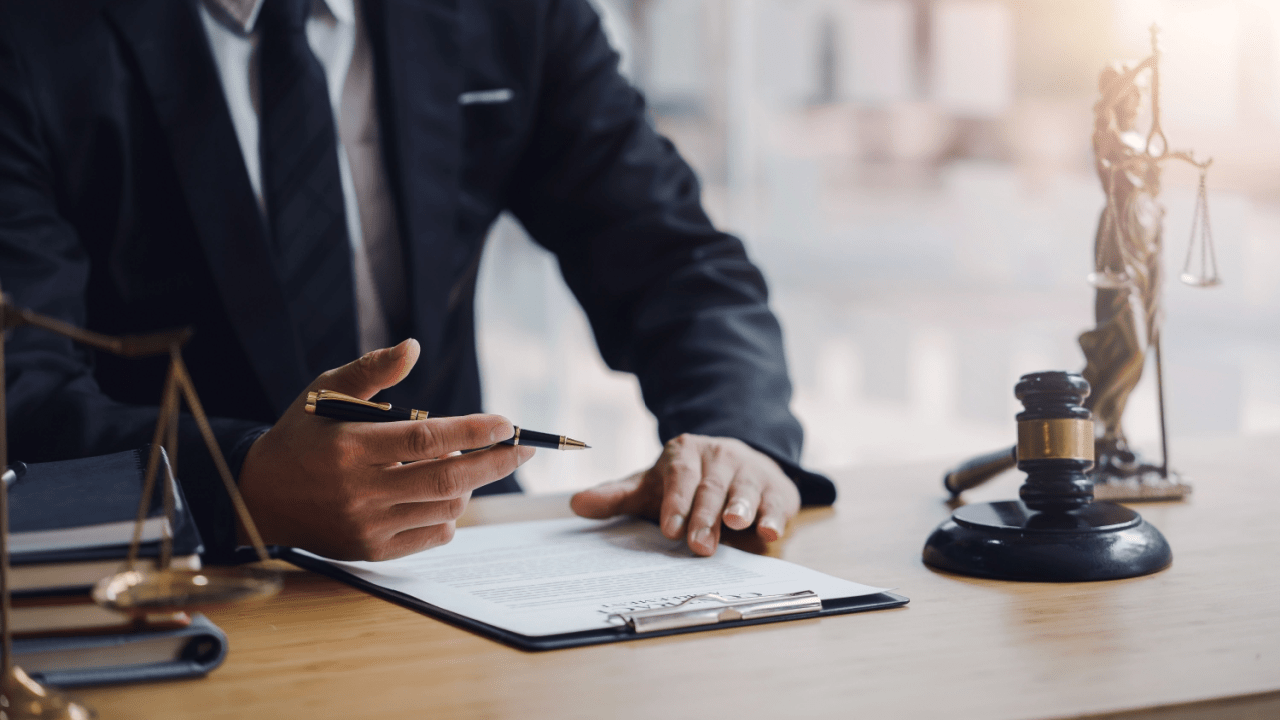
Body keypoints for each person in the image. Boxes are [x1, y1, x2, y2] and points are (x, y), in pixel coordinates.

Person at [0, 0, 834, 564]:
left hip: (465, 558)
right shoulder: (31, 37)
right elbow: (21, 390)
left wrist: (736, 440)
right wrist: (243, 482)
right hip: (180, 584)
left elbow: (677, 261)